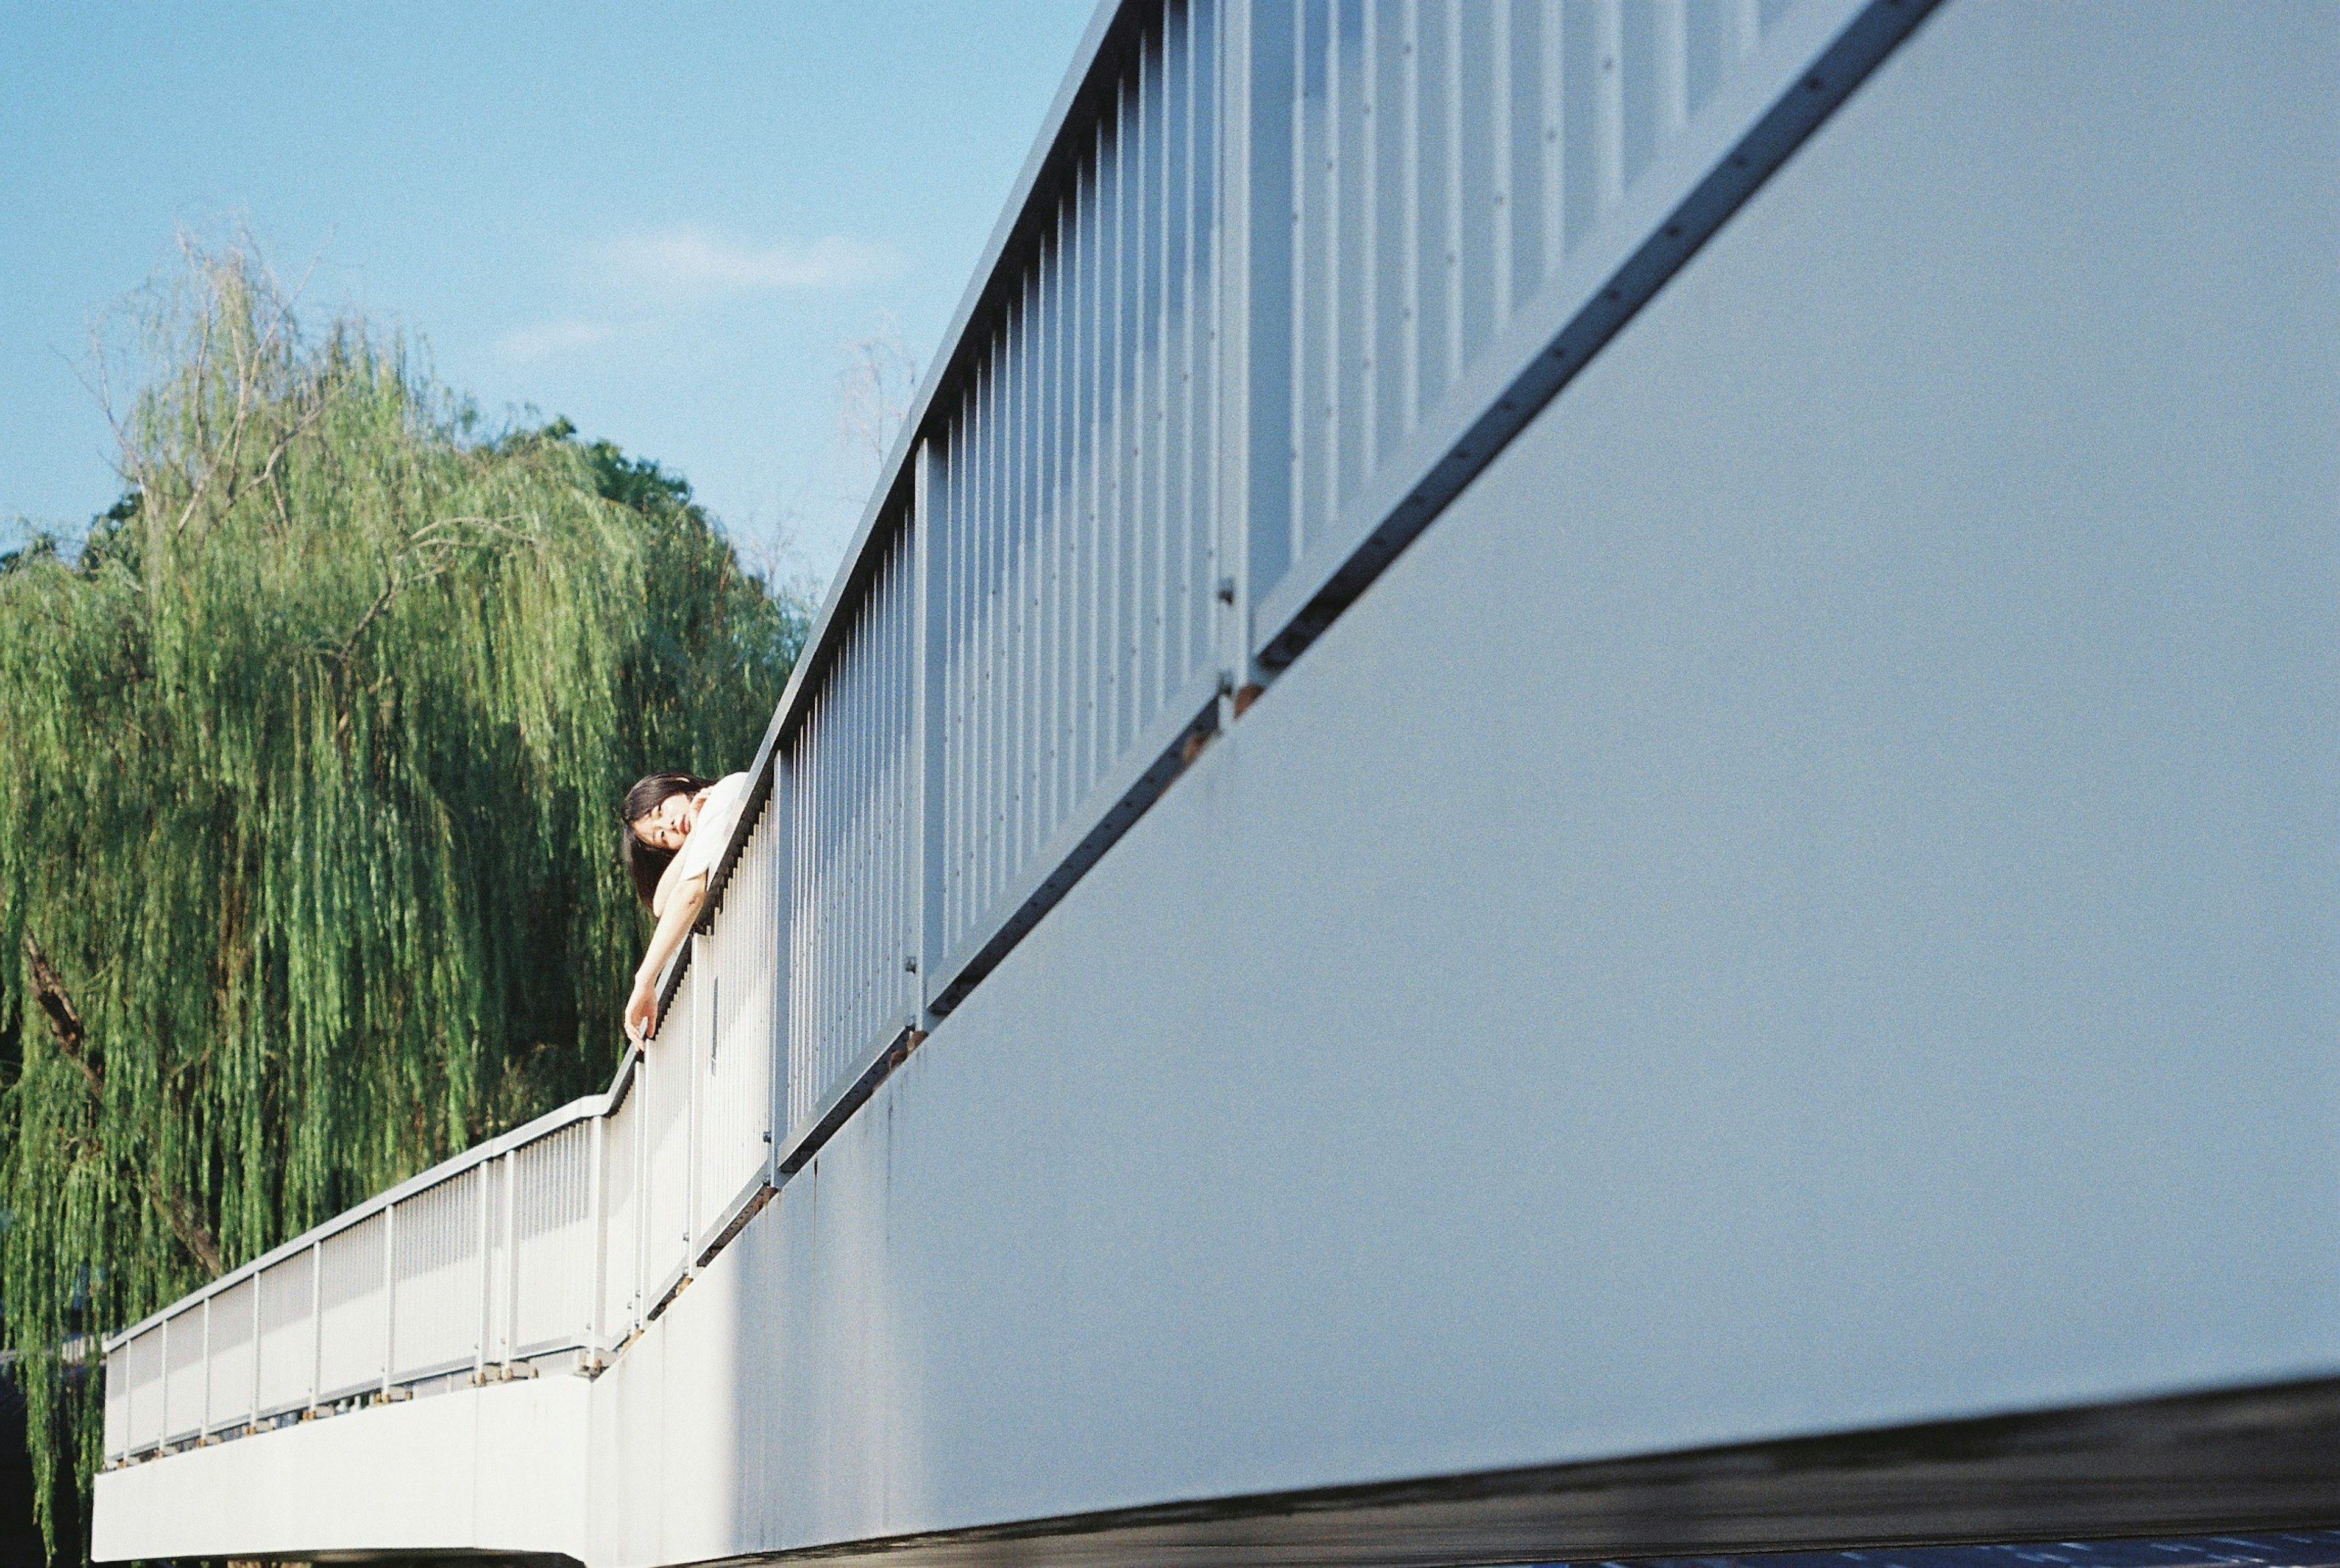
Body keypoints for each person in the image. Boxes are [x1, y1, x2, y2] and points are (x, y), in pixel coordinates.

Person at [619, 768, 753, 1046]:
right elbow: (660, 904)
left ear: (678, 784)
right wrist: (692, 838)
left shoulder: (725, 794)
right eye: (663, 838)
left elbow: (689, 895)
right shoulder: (706, 824)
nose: (669, 826)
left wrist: (645, 981)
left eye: (659, 812)